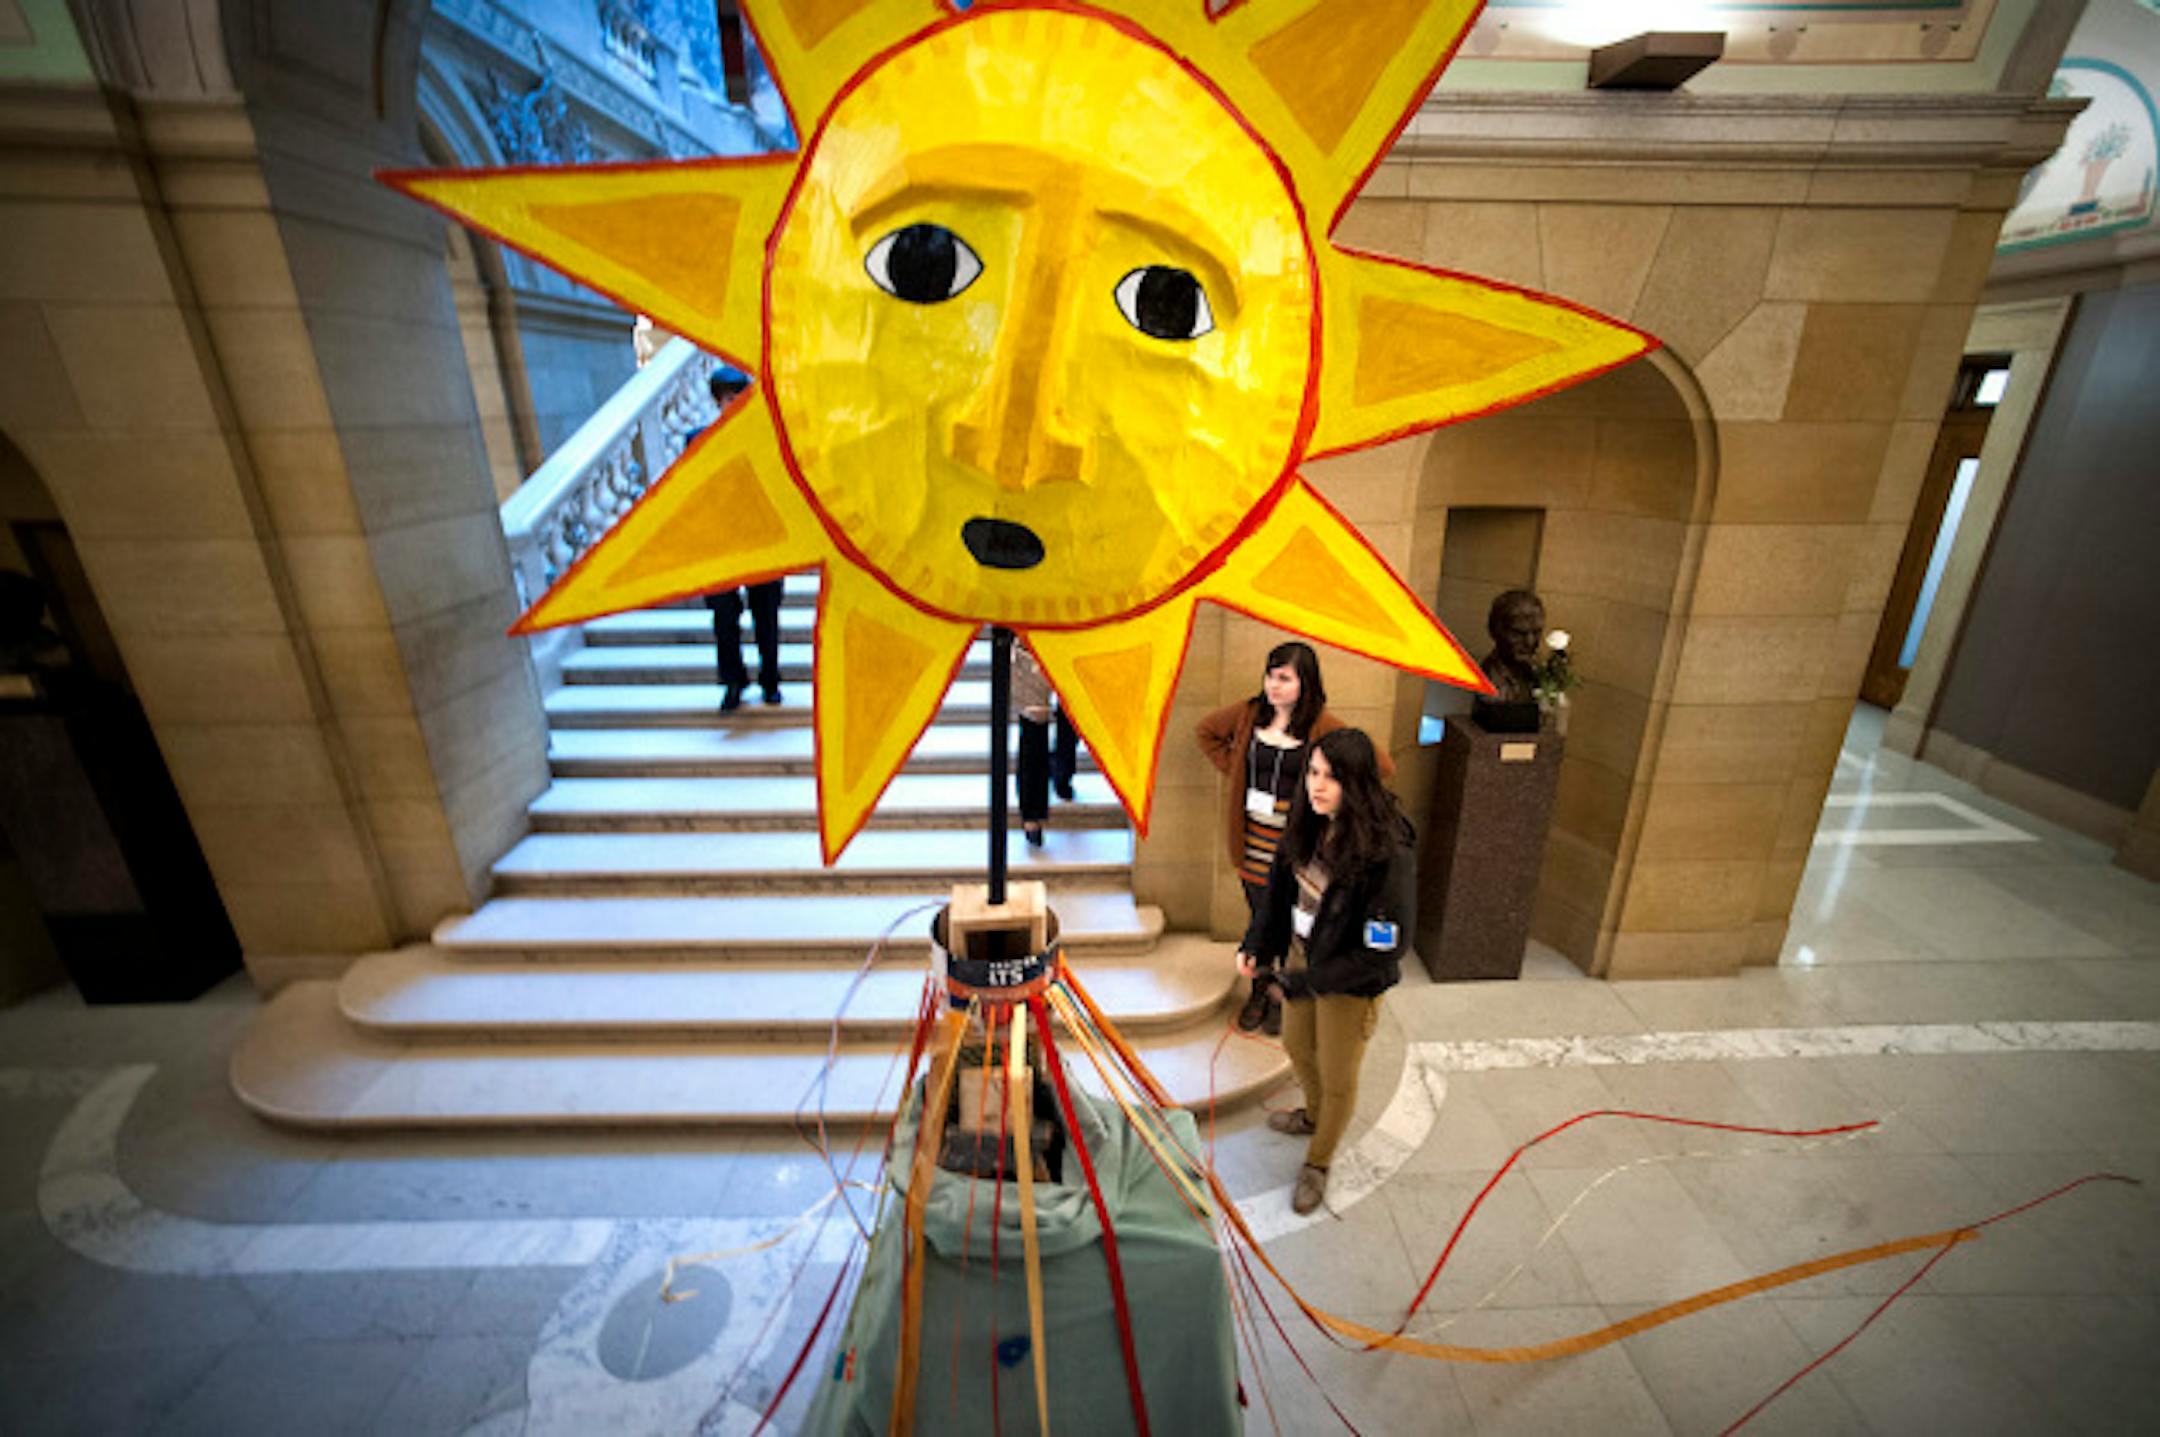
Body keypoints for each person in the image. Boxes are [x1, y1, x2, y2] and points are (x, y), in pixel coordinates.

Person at [1236, 727, 1413, 1215]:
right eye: (1313, 773)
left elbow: (1384, 949)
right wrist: (1258, 944)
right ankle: (1314, 1116)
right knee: (1296, 1046)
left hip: (1350, 983)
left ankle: (1318, 1163)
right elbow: (1277, 891)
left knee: (1339, 1076)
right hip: (1302, 960)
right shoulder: (1308, 822)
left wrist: (1308, 982)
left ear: (1356, 784)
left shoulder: (1387, 851)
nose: (1317, 786)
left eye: (1331, 778)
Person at [1195, 641, 1392, 1035]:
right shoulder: (1250, 713)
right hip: (1251, 842)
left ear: (1306, 682)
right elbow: (1206, 733)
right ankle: (1259, 991)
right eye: (1271, 675)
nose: (1274, 685)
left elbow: (1380, 766)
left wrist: (1327, 800)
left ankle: (1283, 995)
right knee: (1261, 922)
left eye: (1284, 678)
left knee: (1294, 923)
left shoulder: (1322, 725)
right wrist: (1234, 770)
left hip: (1296, 847)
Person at [692, 369, 786, 713]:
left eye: (739, 397)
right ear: (718, 401)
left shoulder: (768, 439)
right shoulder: (697, 439)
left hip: (762, 541)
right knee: (723, 619)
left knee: (766, 616)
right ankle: (733, 682)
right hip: (718, 545)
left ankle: (771, 680)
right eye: (728, 398)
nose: (734, 404)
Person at [1012, 642, 1057, 847]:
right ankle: (1031, 816)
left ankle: (1034, 813)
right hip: (1028, 652)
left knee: (1038, 740)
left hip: (1055, 643)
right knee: (1033, 737)